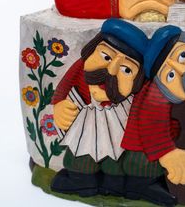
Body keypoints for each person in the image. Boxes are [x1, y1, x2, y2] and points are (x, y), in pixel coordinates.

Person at [120, 24, 185, 206]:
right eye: (170, 75)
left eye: (183, 55)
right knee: (144, 165)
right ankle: (141, 186)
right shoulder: (156, 95)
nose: (183, 70)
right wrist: (167, 152)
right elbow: (151, 125)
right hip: (144, 150)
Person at [50, 18, 148, 197]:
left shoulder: (136, 99)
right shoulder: (81, 68)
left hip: (118, 119)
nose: (111, 70)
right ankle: (83, 182)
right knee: (80, 153)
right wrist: (58, 105)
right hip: (86, 119)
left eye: (126, 69)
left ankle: (114, 184)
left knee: (116, 154)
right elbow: (64, 86)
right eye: (106, 56)